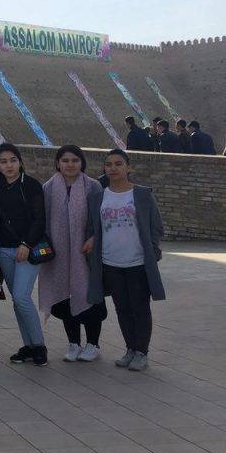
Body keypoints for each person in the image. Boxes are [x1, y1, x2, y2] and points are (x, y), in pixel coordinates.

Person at [84, 149, 165, 372]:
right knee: (122, 309)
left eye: (118, 164)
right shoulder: (98, 197)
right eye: (109, 164)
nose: (113, 168)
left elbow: (156, 226)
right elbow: (93, 227)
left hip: (137, 263)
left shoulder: (142, 194)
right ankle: (130, 348)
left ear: (128, 167)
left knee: (140, 308)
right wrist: (92, 239)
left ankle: (142, 352)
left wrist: (153, 252)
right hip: (111, 263)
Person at [39, 145, 105, 362]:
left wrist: (93, 238)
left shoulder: (93, 186)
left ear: (82, 163)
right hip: (58, 255)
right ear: (57, 163)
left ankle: (93, 344)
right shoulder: (48, 188)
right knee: (64, 298)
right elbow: (43, 219)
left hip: (85, 253)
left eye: (75, 160)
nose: (70, 164)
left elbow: (100, 218)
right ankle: (74, 343)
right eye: (65, 160)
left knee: (89, 296)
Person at [0, 143, 49, 366]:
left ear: (20, 162)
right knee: (17, 301)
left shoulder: (31, 185)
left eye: (13, 160)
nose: (9, 165)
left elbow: (39, 219)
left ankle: (40, 346)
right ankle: (29, 346)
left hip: (29, 250)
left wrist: (26, 243)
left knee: (21, 296)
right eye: (3, 162)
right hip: (5, 251)